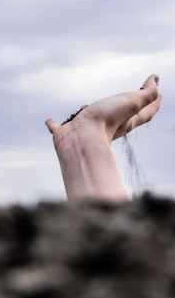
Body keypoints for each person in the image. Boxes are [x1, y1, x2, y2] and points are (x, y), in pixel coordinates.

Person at [45, 74, 162, 202]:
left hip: (79, 219)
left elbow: (148, 100)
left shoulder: (62, 134)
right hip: (115, 215)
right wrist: (154, 82)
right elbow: (150, 97)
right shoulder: (99, 118)